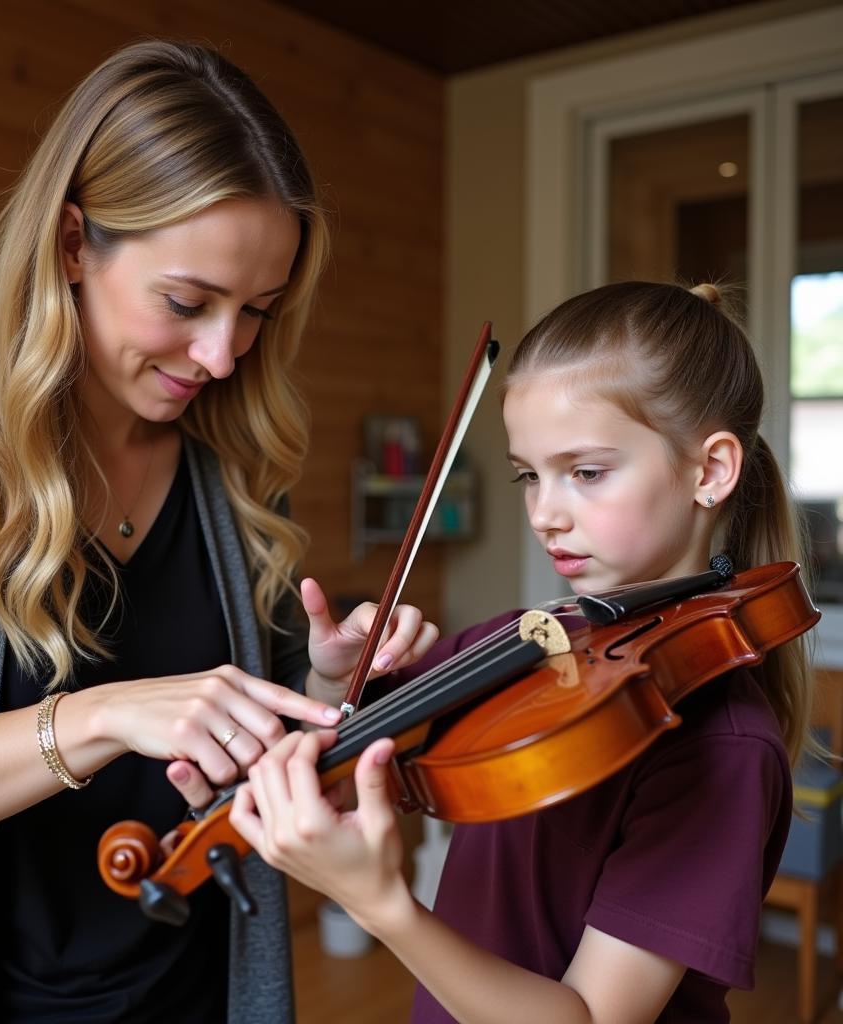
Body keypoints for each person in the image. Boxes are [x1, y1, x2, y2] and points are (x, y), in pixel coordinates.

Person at [0, 40, 438, 1024]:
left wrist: (327, 682)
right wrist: (102, 716)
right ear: (73, 243)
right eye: (187, 303)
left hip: (191, 993)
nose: (223, 355)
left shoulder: (234, 468)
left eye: (256, 313)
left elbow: (259, 740)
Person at [218, 281, 816, 1023]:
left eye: (586, 472)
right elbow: (349, 726)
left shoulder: (721, 748)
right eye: (529, 474)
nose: (544, 512)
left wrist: (380, 905)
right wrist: (334, 673)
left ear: (711, 471)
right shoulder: (530, 640)